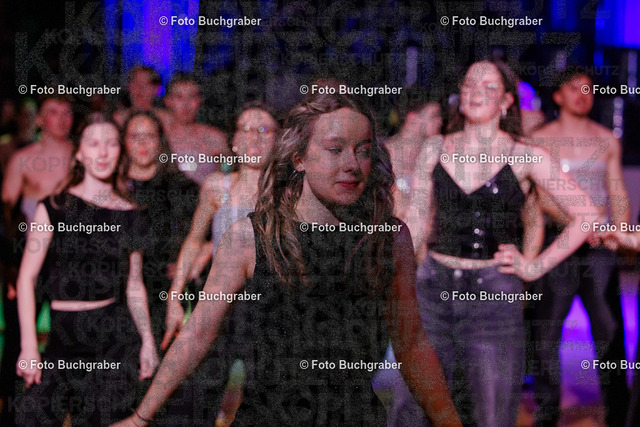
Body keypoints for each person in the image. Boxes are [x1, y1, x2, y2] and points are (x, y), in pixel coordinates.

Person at [112, 91, 462, 426]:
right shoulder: (251, 238)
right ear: (299, 158)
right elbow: (198, 333)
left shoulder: (388, 238)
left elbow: (412, 344)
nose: (352, 164)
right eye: (335, 149)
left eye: (363, 151)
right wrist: (141, 417)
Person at [402, 60, 602, 426]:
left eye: (489, 87)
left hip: (492, 300)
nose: (476, 92)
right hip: (433, 292)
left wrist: (534, 266)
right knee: (413, 409)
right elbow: (416, 221)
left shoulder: (526, 155)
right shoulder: (434, 148)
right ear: (460, 95)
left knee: (491, 414)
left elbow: (587, 215)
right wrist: (393, 269)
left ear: (507, 101)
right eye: (469, 85)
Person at [15, 119, 159, 425]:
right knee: (31, 417)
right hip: (62, 337)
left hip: (112, 339)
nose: (103, 152)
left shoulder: (131, 214)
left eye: (111, 143)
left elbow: (134, 284)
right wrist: (28, 346)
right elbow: (27, 278)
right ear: (79, 153)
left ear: (120, 152)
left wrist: (147, 340)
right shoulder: (54, 207)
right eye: (93, 143)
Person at [158, 101, 278, 425]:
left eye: (264, 129)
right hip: (216, 302)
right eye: (245, 129)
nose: (254, 137)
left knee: (266, 397)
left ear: (278, 140)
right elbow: (193, 240)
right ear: (234, 140)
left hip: (267, 308)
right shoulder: (216, 186)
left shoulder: (286, 193)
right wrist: (174, 296)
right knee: (197, 394)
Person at [530, 69, 630, 426]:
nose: (582, 94)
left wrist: (619, 234)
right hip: (559, 241)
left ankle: (619, 412)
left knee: (609, 331)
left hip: (599, 246)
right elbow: (541, 196)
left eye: (588, 89)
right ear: (558, 96)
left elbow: (617, 190)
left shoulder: (606, 139)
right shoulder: (541, 139)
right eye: (574, 88)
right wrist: (579, 225)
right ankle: (547, 412)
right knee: (546, 334)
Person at [122, 110, 200, 352]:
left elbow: (203, 237)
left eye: (149, 136)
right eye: (135, 136)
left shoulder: (182, 187)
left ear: (160, 140)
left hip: (166, 290)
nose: (142, 143)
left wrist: (188, 264)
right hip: (117, 291)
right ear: (124, 141)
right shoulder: (111, 189)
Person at [161, 73, 231, 185]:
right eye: (179, 97)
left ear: (200, 100)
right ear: (168, 101)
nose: (186, 104)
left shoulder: (214, 137)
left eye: (192, 96)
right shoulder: (158, 137)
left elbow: (226, 177)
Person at [384, 91, 443, 221]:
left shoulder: (434, 156)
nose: (440, 121)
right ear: (412, 119)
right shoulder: (384, 154)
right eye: (434, 116)